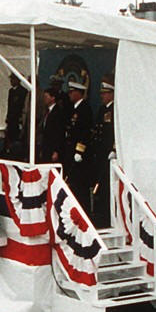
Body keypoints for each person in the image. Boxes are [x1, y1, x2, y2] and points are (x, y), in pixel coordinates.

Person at [63, 77, 95, 215]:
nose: (70, 95)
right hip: (71, 151)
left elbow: (85, 132)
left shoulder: (84, 109)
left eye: (72, 92)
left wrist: (79, 151)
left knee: (80, 184)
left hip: (80, 154)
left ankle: (84, 212)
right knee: (74, 184)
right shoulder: (74, 109)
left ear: (79, 93)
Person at [92, 76, 116, 226]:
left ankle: (108, 216)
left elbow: (115, 132)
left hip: (109, 153)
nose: (102, 96)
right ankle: (100, 214)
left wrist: (114, 149)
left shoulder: (114, 110)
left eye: (105, 93)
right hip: (101, 153)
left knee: (108, 186)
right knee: (99, 186)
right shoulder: (102, 110)